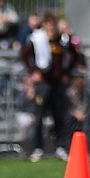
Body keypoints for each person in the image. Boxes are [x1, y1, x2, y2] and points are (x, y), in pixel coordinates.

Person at [23, 13, 68, 162]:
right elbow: (24, 55)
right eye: (48, 23)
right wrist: (33, 71)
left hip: (57, 84)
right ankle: (37, 148)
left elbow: (74, 54)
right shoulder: (38, 40)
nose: (50, 27)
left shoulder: (61, 41)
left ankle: (60, 147)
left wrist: (65, 72)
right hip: (43, 84)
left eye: (52, 23)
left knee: (58, 116)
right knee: (39, 116)